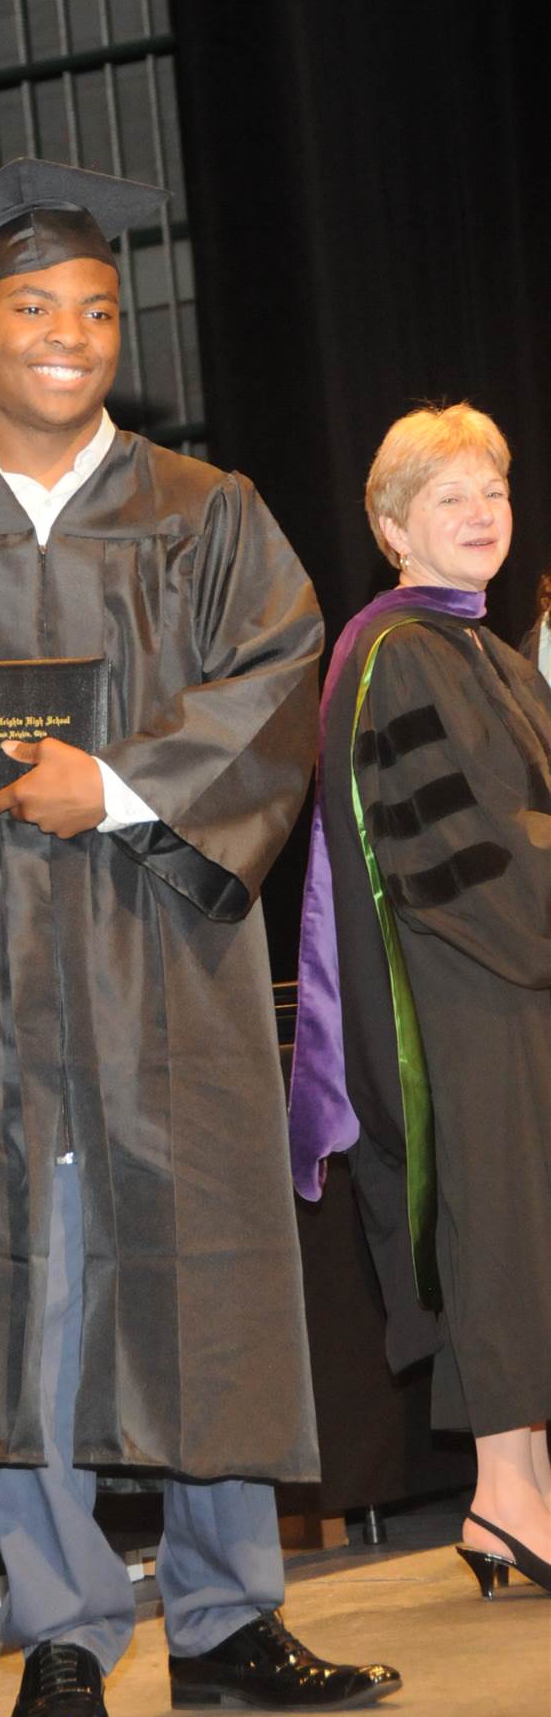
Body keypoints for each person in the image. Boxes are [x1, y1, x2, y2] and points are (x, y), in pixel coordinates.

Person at [0, 157, 399, 1717]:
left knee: (191, 1263)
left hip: (156, 937)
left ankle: (225, 1618)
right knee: (21, 1285)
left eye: (92, 308)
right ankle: (57, 1633)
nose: (67, 336)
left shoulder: (204, 512)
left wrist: (122, 785)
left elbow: (282, 683)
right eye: (30, 308)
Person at [290, 402, 551, 1601]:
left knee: (526, 1234)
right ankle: (505, 1493)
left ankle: (519, 1498)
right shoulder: (398, 651)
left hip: (512, 984)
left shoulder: (482, 648)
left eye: (492, 491)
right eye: (450, 498)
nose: (481, 513)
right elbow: (460, 853)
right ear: (394, 526)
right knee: (497, 1232)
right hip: (464, 993)